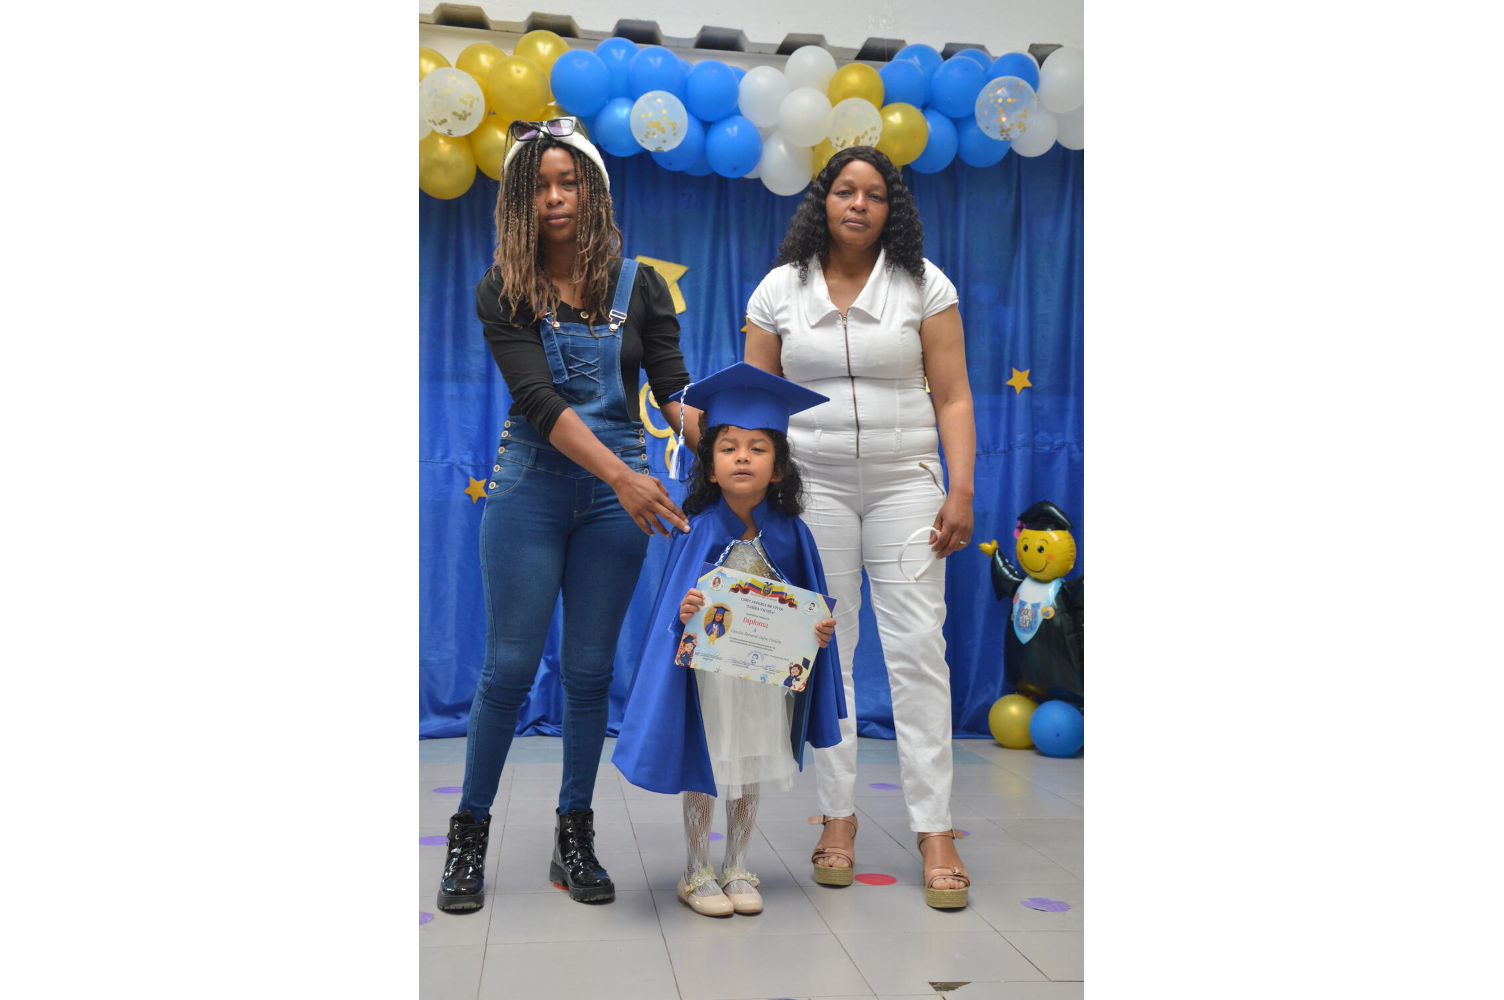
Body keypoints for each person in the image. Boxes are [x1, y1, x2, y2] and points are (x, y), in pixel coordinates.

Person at [437, 117, 698, 914]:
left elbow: (673, 391)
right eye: (539, 186)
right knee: (509, 670)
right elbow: (540, 403)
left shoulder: (642, 286)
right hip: (533, 488)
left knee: (589, 674)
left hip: (616, 504)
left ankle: (574, 835)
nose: (554, 197)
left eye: (568, 182)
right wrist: (625, 477)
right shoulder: (502, 290)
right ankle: (468, 834)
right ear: (520, 202)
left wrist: (733, 440)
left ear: (594, 192)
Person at [743, 146, 978, 909]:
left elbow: (953, 396)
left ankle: (935, 829)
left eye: (874, 194)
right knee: (827, 652)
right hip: (813, 489)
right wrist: (757, 501)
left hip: (908, 485)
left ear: (891, 209)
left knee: (918, 654)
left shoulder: (924, 284)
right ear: (824, 201)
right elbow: (756, 408)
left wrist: (961, 489)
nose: (858, 204)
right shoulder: (779, 289)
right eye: (845, 190)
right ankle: (836, 818)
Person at [613, 363, 846, 917]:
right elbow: (675, 608)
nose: (743, 457)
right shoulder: (697, 529)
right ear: (711, 467)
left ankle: (738, 865)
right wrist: (685, 611)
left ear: (779, 468)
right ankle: (697, 871)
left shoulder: (793, 534)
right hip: (707, 680)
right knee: (708, 764)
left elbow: (805, 605)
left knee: (752, 764)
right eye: (729, 448)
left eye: (758, 448)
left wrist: (817, 630)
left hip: (762, 680)